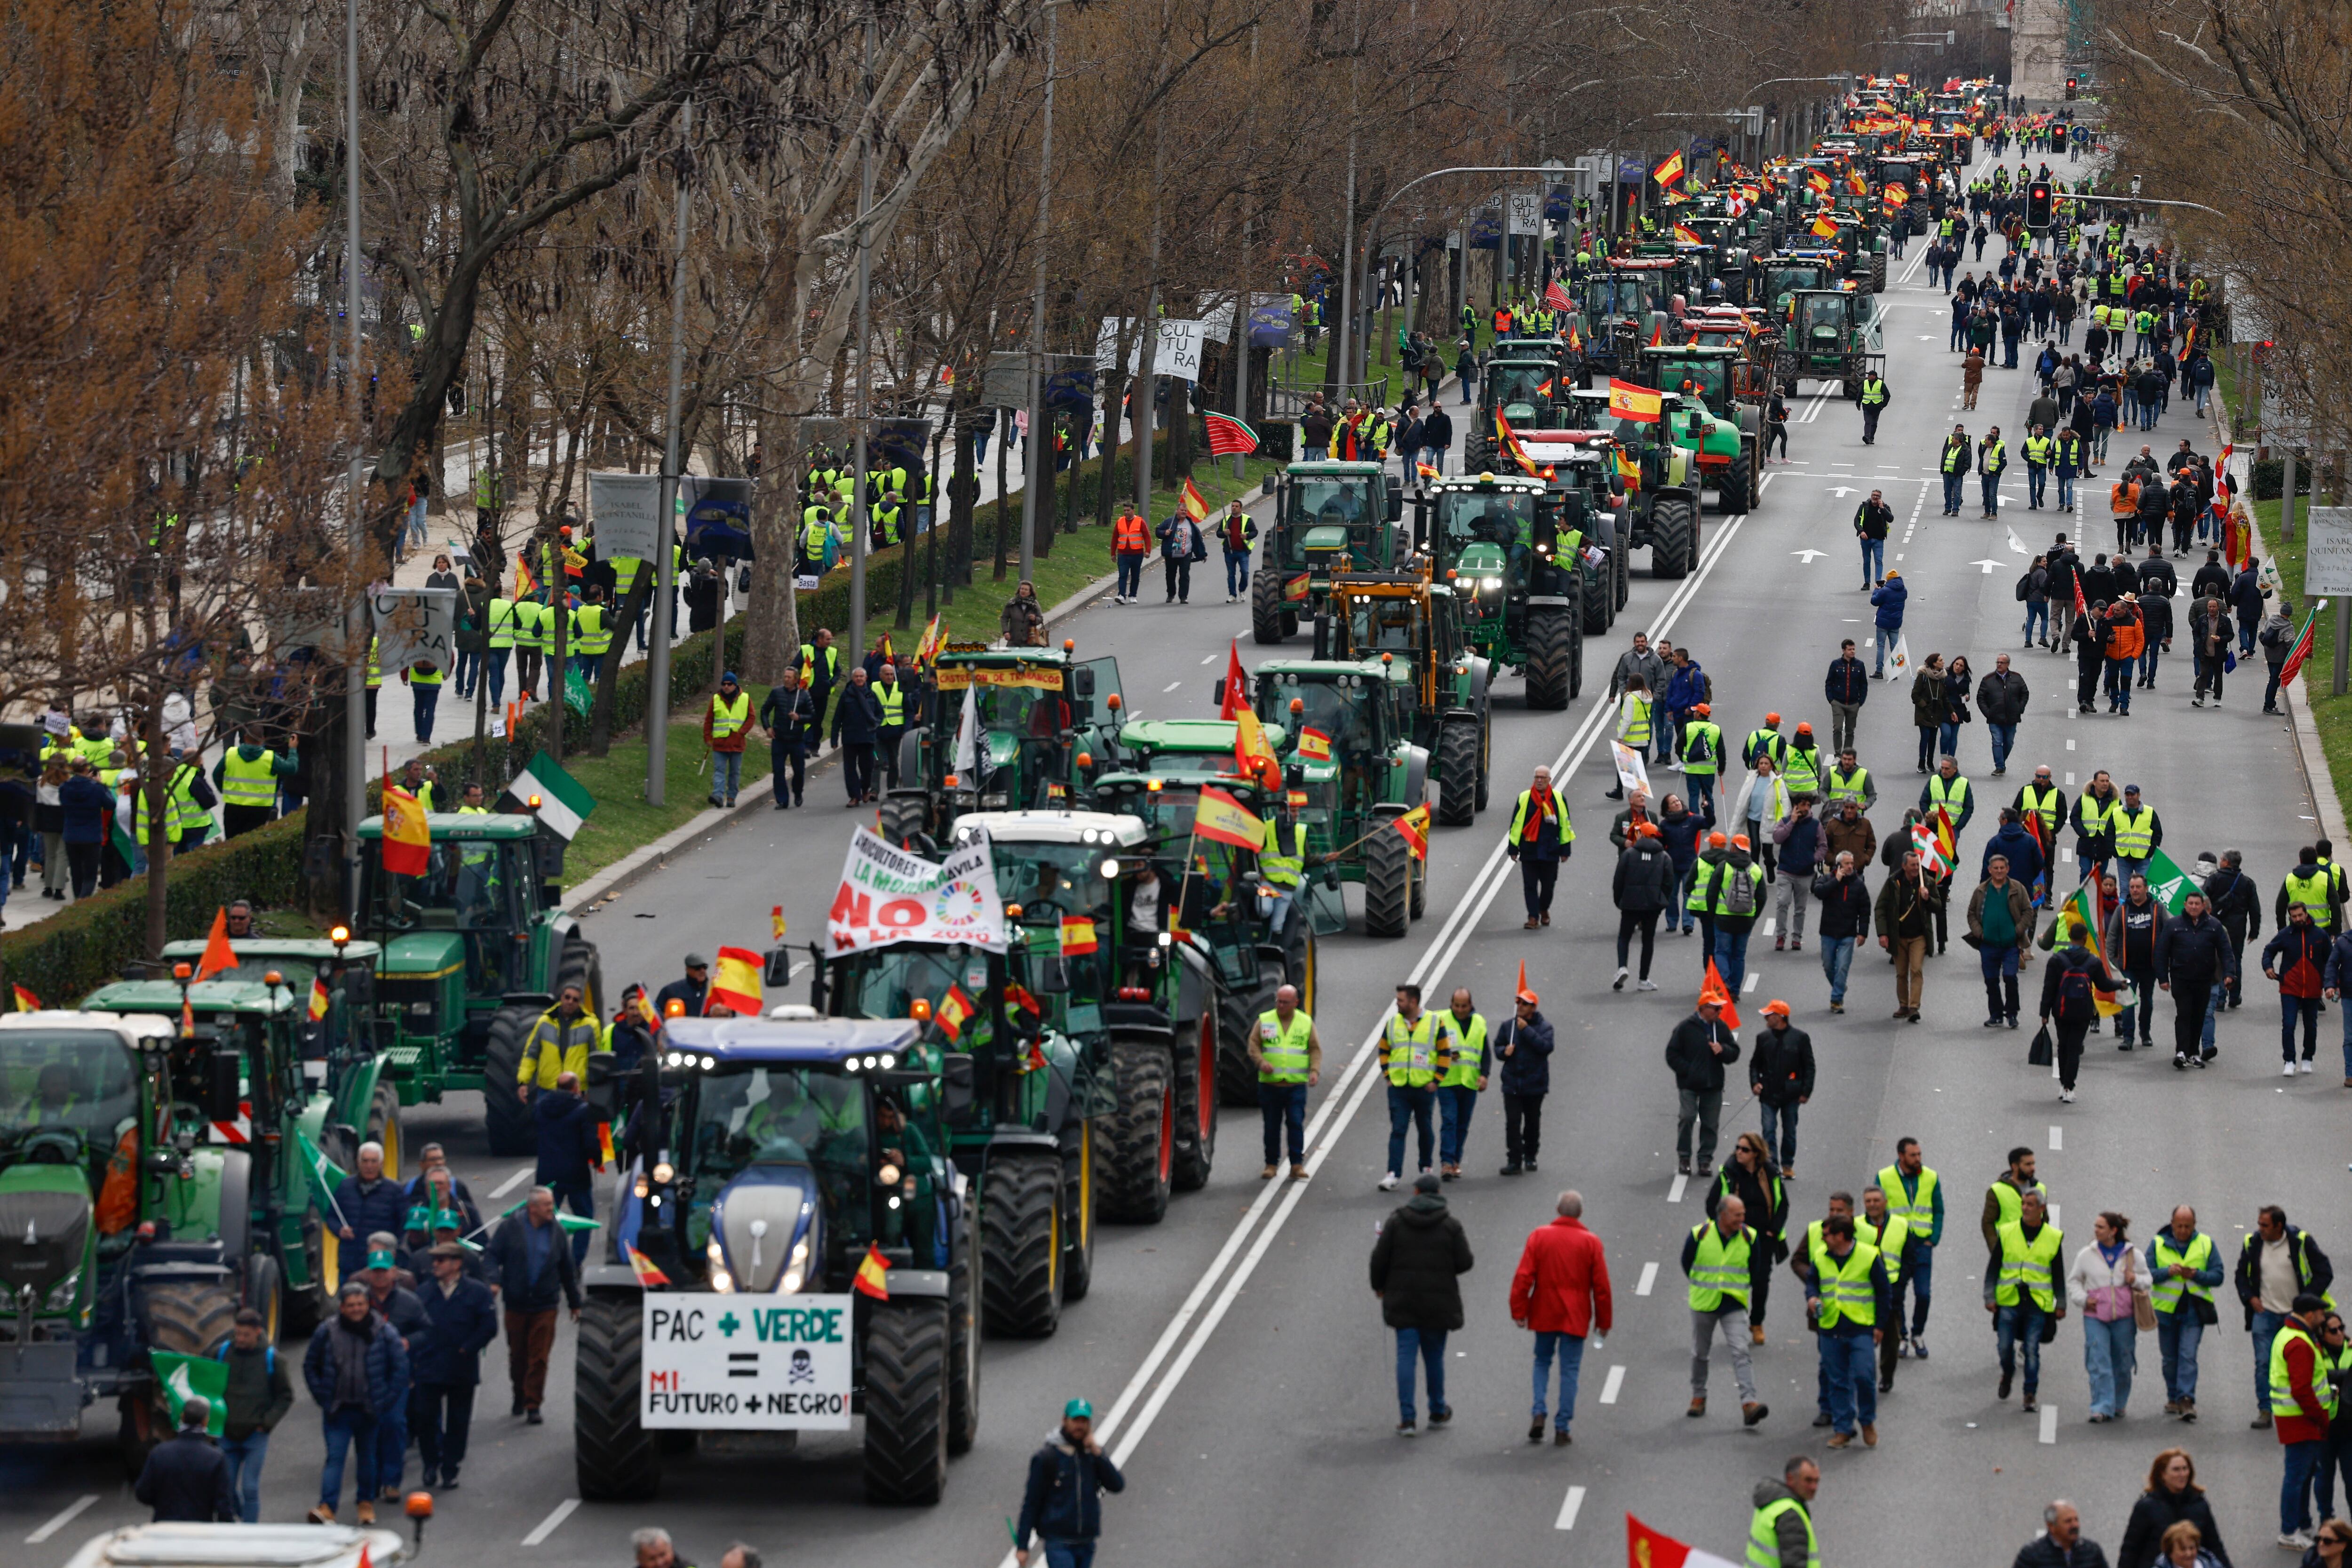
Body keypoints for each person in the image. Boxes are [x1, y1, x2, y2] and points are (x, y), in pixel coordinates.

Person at [1369, 1171, 1473, 1435]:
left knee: (1406, 1357)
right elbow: (1465, 1262)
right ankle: (1437, 1410)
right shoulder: (1450, 1225)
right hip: (1439, 1302)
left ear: (1415, 1193)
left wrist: (1379, 1287)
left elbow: (1379, 1259)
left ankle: (1408, 1418)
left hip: (1403, 1299)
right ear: (1439, 1194)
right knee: (1434, 1357)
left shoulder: (1397, 1222)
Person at [1509, 1189, 1612, 1446]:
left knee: (1542, 1361)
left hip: (1545, 1310)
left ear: (1557, 1210)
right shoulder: (1591, 1243)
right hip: (1576, 1315)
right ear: (1581, 1213)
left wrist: (1519, 1310)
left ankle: (1538, 1410)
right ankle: (1563, 1425)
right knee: (1570, 1370)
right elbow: (1601, 1288)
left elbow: (1524, 1277)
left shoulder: (1540, 1236)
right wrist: (1603, 1322)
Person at [303, 1281, 407, 1525]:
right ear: (342, 1307)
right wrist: (322, 1396)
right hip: (338, 1410)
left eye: (360, 1304)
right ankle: (327, 1507)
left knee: (367, 1459)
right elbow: (310, 1365)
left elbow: (400, 1368)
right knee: (335, 1459)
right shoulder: (326, 1331)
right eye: (351, 1305)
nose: (356, 1309)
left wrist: (384, 1401)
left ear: (368, 1304)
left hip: (369, 1410)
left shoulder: (384, 1331)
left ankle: (366, 1504)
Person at [484, 1187, 582, 1424]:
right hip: (516, 1304)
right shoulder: (510, 1229)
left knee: (539, 1357)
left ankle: (533, 1404)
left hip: (545, 1304)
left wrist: (575, 1302)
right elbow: (491, 1255)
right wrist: (494, 1281)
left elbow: (567, 1270)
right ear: (532, 1208)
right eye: (547, 1205)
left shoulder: (557, 1231)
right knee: (518, 1356)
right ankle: (519, 1394)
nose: (552, 1209)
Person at [1794, 1213, 1890, 1448]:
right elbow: (1813, 1282)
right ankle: (1843, 1429)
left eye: (1826, 1235)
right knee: (1837, 1381)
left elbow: (1884, 1293)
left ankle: (1867, 1421)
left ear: (1840, 1236)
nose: (1822, 1238)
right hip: (1830, 1328)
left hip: (1860, 1328)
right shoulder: (1820, 1256)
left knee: (1864, 1377)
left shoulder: (1869, 1256)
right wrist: (1812, 1297)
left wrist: (1880, 1326)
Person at [2239, 1207, 2337, 1430]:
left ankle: (2308, 1406)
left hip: (2298, 1318)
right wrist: (2250, 1298)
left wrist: (2305, 1300)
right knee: (2263, 1363)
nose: (2260, 1229)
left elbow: (2325, 1272)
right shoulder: (2253, 1243)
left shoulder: (2301, 1242)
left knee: (2306, 1362)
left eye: (2265, 1225)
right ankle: (2265, 1410)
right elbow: (2241, 1275)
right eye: (2259, 1224)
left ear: (2278, 1226)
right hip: (2264, 1314)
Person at [411, 1239, 498, 1488]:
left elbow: (489, 1327)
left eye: (440, 1260)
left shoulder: (477, 1292)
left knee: (458, 1421)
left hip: (461, 1367)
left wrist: (467, 1348)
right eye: (434, 1260)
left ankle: (451, 1468)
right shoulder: (424, 1292)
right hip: (429, 1366)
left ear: (457, 1264)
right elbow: (414, 1325)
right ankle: (431, 1463)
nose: (434, 1265)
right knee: (425, 1418)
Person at [1682, 1194, 1768, 1425]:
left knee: (1741, 1351)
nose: (1742, 1218)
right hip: (1704, 1303)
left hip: (1734, 1303)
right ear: (1723, 1215)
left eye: (1743, 1214)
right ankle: (1698, 1397)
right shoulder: (1700, 1235)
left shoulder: (1750, 1237)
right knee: (1700, 1353)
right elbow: (1687, 1263)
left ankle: (1749, 1403)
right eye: (1737, 1215)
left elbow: (1755, 1267)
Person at [1014, 1398, 1125, 1568]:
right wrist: (1023, 1546)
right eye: (1075, 1421)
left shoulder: (1092, 1455)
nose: (1079, 1426)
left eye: (1084, 1421)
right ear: (1065, 1421)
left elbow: (1117, 1485)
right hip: (1058, 1542)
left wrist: (1097, 1453)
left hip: (1087, 1541)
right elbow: (1031, 1503)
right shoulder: (1047, 1458)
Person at [215, 1305, 293, 1521]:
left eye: (245, 1335)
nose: (239, 1339)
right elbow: (207, 1384)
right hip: (226, 1435)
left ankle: (250, 1533)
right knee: (226, 1489)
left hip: (255, 1437)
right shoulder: (221, 1353)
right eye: (237, 1333)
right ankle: (230, 1530)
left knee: (250, 1488)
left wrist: (266, 1424)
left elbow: (285, 1396)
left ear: (258, 1332)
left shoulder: (272, 1360)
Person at [1991, 1190, 2066, 1413]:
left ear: (2042, 1209)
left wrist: (2060, 1303)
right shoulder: (2007, 1233)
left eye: (2031, 1205)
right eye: (2024, 1204)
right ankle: (2008, 1373)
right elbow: (1994, 1268)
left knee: (2032, 1349)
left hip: (2037, 1303)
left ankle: (2030, 1393)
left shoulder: (2052, 1238)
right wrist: (1989, 1296)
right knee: (2005, 1346)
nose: (2025, 1208)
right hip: (2009, 1300)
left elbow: (2058, 1274)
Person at [2069, 1210, 2146, 1422]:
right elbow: (2074, 1281)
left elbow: (2147, 1279)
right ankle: (2101, 1406)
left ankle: (2118, 1403)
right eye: (2096, 1226)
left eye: (2101, 1227)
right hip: (2095, 1316)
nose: (2096, 1230)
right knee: (2098, 1359)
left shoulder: (2133, 1255)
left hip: (2124, 1317)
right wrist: (2083, 1299)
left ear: (2114, 1231)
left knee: (2122, 1361)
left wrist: (2135, 1280)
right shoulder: (2087, 1254)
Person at [2274, 1293, 2337, 1549]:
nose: (2325, 1319)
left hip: (2296, 1419)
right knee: (2297, 1476)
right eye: (2322, 1314)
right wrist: (2321, 1417)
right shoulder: (2300, 1343)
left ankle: (2302, 1524)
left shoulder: (2290, 1335)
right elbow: (2301, 1390)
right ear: (2310, 1314)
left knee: (2304, 1473)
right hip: (2302, 1421)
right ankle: (2289, 1532)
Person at [1376, 984, 1450, 1192]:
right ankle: (1393, 1174)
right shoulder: (1392, 1024)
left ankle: (1426, 1169)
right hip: (1399, 1089)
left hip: (1424, 1089)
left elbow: (1445, 1053)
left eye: (1401, 1000)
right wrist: (1388, 1076)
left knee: (1425, 1128)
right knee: (1398, 1129)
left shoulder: (1435, 1023)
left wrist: (1436, 1080)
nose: (1397, 1004)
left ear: (1414, 1002)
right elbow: (1383, 1050)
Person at [2042, 916, 2120, 1101]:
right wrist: (2121, 985)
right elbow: (2104, 985)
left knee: (2063, 1046)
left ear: (2069, 937)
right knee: (2075, 1048)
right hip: (2083, 1012)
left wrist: (2044, 1013)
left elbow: (2049, 988)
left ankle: (2063, 1084)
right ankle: (2070, 1087)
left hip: (2061, 1011)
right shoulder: (2092, 962)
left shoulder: (2057, 960)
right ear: (2085, 938)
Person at [1665, 991, 1740, 1178]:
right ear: (1704, 1008)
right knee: (1687, 1117)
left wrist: (1723, 1050)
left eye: (1720, 1008)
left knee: (1710, 1124)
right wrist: (1687, 1071)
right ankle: (1684, 1157)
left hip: (1713, 1084)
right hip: (1689, 1085)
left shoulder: (1721, 1028)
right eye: (1716, 1008)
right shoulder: (1685, 1028)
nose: (1720, 1012)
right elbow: (1672, 1054)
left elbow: (1734, 1053)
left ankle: (1705, 1160)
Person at [1249, 984, 1319, 1181]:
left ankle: (1296, 1164)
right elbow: (1253, 1044)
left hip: (1295, 1085)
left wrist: (1314, 1071)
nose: (1281, 1005)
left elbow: (1315, 1048)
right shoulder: (1265, 1020)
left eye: (1285, 1002)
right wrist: (1261, 1062)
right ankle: (1271, 1164)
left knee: (1296, 1123)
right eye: (1278, 1001)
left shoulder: (1305, 1022)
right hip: (1270, 1085)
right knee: (1272, 1126)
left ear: (1296, 1003)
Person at [2118, 1449, 2233, 1568]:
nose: (2182, 1474)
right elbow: (2131, 1550)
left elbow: (2215, 1546)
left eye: (2185, 1469)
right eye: (2176, 1470)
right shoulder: (2146, 1507)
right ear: (2162, 1474)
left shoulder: (2200, 1505)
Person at [533, 1069, 602, 1265]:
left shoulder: (541, 1107)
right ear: (575, 1088)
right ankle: (574, 1263)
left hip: (547, 1174)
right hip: (576, 1174)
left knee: (545, 1218)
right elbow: (590, 1143)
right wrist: (596, 1160)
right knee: (584, 1218)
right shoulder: (583, 1110)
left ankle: (546, 1259)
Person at [2159, 891, 2233, 1069]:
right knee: (2184, 1013)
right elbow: (2162, 952)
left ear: (2203, 906)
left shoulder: (2214, 926)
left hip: (2204, 980)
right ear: (2185, 905)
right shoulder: (2173, 925)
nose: (2193, 907)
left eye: (2197, 904)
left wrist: (2229, 973)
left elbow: (2226, 951)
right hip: (2181, 978)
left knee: (2199, 1016)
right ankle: (2182, 1052)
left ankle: (2193, 1053)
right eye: (2190, 904)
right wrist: (2163, 978)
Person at [135, 1396, 238, 1522]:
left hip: (165, 1527)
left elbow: (143, 1492)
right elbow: (223, 1504)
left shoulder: (160, 1453)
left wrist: (163, 1504)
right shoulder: (215, 1458)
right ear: (205, 1422)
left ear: (183, 1417)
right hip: (200, 1529)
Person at [1746, 1001, 1812, 1178]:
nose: (1766, 1019)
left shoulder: (1800, 1038)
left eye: (1769, 1015)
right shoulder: (1763, 1038)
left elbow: (1809, 1067)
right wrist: (1755, 1083)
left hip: (1791, 1095)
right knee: (1768, 1129)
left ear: (1780, 1017)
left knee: (1790, 1131)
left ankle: (1788, 1164)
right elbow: (1755, 1064)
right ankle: (1771, 1164)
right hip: (1768, 1093)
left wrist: (1806, 1092)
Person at [1971, 854, 2037, 1029]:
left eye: (2002, 868)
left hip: (2011, 946)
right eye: (1996, 868)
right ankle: (1996, 1015)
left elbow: (2028, 912)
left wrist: (2017, 931)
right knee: (1991, 981)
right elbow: (1972, 914)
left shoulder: (2017, 889)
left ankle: (2012, 1014)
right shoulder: (1981, 891)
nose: (1999, 871)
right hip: (1988, 945)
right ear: (1990, 870)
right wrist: (1980, 934)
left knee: (2010, 977)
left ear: (2007, 869)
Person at [1876, 847, 1941, 1023]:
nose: (1916, 868)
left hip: (1919, 937)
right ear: (1904, 866)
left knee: (1916, 970)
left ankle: (1914, 1007)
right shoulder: (1893, 883)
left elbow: (1938, 907)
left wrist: (1928, 899)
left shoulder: (1926, 882)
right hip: (1899, 937)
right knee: (1901, 973)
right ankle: (1903, 1005)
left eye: (1918, 865)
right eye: (1913, 865)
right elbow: (1880, 908)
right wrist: (1882, 933)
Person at [2266, 903, 2332, 1075]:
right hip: (2290, 987)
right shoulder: (2286, 935)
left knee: (2311, 1026)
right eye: (2294, 917)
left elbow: (2331, 959)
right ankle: (2289, 1061)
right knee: (2288, 1025)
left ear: (2306, 914)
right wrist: (2268, 967)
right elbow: (2269, 950)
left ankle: (2307, 1058)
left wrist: (2329, 983)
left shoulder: (2320, 935)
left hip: (2312, 988)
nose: (2298, 919)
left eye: (2300, 915)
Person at [1494, 980, 1551, 1176]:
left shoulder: (1545, 1027)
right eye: (1519, 1003)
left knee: (1532, 1122)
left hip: (1535, 1085)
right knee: (1512, 1122)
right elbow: (1498, 1048)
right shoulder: (1507, 1027)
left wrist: (1526, 1030)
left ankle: (1531, 1155)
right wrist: (1504, 1052)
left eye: (1525, 1004)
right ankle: (1514, 1159)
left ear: (1533, 1008)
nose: (1520, 1007)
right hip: (1512, 1084)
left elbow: (1546, 1047)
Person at [1505, 766, 1573, 929]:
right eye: (1537, 778)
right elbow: (1516, 824)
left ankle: (1543, 909)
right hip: (1530, 849)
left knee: (1549, 886)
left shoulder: (1558, 798)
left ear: (1550, 780)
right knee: (1530, 885)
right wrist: (1513, 849)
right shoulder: (1524, 798)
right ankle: (1533, 917)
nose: (1540, 781)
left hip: (1551, 850)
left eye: (1543, 778)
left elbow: (1565, 824)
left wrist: (1565, 850)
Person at [1431, 988, 1488, 1181]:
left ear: (1470, 1005)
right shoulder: (1441, 1019)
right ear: (1451, 1003)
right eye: (1457, 1005)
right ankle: (1446, 1162)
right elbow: (1430, 1045)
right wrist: (1445, 1055)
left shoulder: (1479, 1022)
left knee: (1463, 1124)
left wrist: (1484, 1075)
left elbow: (1484, 1051)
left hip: (1469, 1081)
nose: (1460, 1010)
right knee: (1450, 1120)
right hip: (1447, 1080)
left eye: (1464, 1006)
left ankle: (1456, 1161)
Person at [1612, 821, 1673, 990]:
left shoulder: (1629, 854)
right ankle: (1643, 979)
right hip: (1653, 905)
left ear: (1640, 835)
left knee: (1624, 937)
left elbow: (1619, 880)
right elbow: (1669, 883)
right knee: (1648, 940)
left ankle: (1622, 967)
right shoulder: (1664, 857)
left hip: (1630, 903)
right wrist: (1661, 901)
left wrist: (1620, 901)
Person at [520, 984, 603, 1105]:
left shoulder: (591, 1025)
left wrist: (592, 1089)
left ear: (580, 1003)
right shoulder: (544, 1022)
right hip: (548, 1089)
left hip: (576, 1091)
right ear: (561, 998)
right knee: (545, 1123)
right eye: (567, 997)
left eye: (575, 1000)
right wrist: (523, 1082)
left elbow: (596, 1060)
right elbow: (531, 1054)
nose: (570, 1002)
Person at [1813, 849, 1872, 1016]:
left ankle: (1836, 1000)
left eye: (1852, 864)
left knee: (1842, 968)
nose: (1850, 867)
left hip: (1848, 934)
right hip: (1828, 932)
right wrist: (1836, 881)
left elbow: (1865, 909)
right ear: (1839, 865)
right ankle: (1840, 986)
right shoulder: (1828, 879)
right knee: (1828, 965)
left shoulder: (1858, 885)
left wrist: (1863, 933)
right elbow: (1819, 892)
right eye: (1847, 864)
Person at [331, 1140, 412, 1246]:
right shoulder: (345, 1187)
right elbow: (332, 1216)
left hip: (381, 1256)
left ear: (382, 1164)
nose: (369, 1166)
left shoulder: (395, 1190)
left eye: (374, 1161)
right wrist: (339, 1230)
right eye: (365, 1161)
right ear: (358, 1163)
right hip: (351, 1255)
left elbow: (404, 1223)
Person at [759, 668, 816, 811]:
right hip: (779, 738)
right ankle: (782, 800)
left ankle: (798, 792)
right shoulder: (777, 693)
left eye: (789, 677)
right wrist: (768, 727)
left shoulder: (803, 695)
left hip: (797, 739)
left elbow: (813, 716)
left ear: (796, 679)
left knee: (799, 771)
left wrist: (799, 718)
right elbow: (765, 710)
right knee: (778, 771)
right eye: (785, 677)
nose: (786, 680)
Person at [1751, 1457, 1822, 1568]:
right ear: (1790, 1479)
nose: (1814, 1487)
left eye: (1816, 1481)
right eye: (1808, 1480)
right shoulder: (1790, 1516)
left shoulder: (1771, 1502)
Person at [829, 666, 884, 806]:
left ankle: (865, 789)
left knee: (867, 768)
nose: (859, 679)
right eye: (856, 677)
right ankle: (854, 796)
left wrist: (875, 724)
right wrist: (834, 739)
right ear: (853, 679)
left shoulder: (871, 695)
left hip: (868, 738)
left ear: (866, 679)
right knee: (850, 769)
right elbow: (837, 718)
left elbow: (880, 714)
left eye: (861, 677)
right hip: (850, 738)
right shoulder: (846, 695)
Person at [702, 671, 751, 809]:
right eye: (724, 684)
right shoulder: (716, 699)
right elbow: (709, 720)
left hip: (737, 743)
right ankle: (718, 795)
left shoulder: (745, 698)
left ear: (735, 685)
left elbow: (751, 717)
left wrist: (742, 732)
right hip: (720, 744)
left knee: (735, 772)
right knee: (719, 770)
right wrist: (708, 737)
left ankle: (731, 797)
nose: (726, 687)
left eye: (729, 684)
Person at [2013, 1501, 2112, 1568]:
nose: (2075, 1525)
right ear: (2051, 1526)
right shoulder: (2031, 1554)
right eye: (2068, 1521)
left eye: (2076, 1520)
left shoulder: (2092, 1551)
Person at [1979, 653, 2030, 776]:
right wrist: (1988, 713)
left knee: (2009, 742)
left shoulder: (2017, 678)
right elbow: (1981, 698)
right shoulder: (1988, 679)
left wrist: (2020, 708)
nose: (1999, 665)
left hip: (2012, 718)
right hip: (1994, 719)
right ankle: (2000, 766)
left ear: (2008, 664)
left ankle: (2001, 761)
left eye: (2002, 663)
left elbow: (2025, 693)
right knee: (1997, 741)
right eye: (1998, 662)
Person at [1156, 507, 1205, 604]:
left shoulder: (1191, 524)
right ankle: (1171, 594)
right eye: (1182, 510)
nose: (1184, 512)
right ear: (1177, 511)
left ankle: (1183, 596)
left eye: (1186, 511)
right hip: (1171, 554)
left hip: (1185, 554)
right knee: (1170, 575)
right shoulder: (1170, 522)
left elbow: (1198, 539)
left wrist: (1203, 554)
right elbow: (1158, 532)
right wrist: (1164, 533)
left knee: (1185, 575)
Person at [1216, 502, 1257, 603]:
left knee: (1245, 572)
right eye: (1233, 506)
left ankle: (1242, 590)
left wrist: (1247, 536)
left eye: (1236, 507)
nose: (1234, 508)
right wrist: (1224, 533)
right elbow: (1219, 534)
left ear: (1241, 508)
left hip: (1243, 551)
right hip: (1229, 551)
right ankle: (1232, 595)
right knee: (1231, 574)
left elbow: (1255, 532)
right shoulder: (1226, 520)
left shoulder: (1247, 519)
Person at [1111, 504, 1151, 604]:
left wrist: (1148, 551)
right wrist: (1113, 553)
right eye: (1125, 510)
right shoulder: (1120, 522)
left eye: (1128, 510)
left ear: (1133, 510)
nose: (1126, 512)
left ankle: (1133, 595)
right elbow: (1115, 538)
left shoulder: (1140, 521)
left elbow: (1147, 537)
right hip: (1123, 553)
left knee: (1135, 575)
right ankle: (1122, 595)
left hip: (1137, 553)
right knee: (1123, 574)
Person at [1853, 491, 1892, 587]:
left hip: (1879, 540)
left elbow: (1890, 519)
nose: (1875, 497)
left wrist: (1882, 508)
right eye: (1874, 495)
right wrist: (1861, 532)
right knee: (1867, 561)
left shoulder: (1885, 507)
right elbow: (1856, 520)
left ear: (1881, 498)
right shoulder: (1864, 506)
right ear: (1871, 496)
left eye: (1878, 496)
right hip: (1866, 540)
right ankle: (1867, 583)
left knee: (1878, 561)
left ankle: (1878, 582)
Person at [1000, 580, 1046, 645]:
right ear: (1019, 590)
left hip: (1030, 640)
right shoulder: (1012, 603)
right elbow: (1004, 618)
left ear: (1030, 592)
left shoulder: (1034, 604)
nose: (1023, 591)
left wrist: (1035, 619)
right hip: (1014, 640)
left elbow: (1041, 619)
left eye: (1026, 590)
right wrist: (1006, 632)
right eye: (1022, 589)